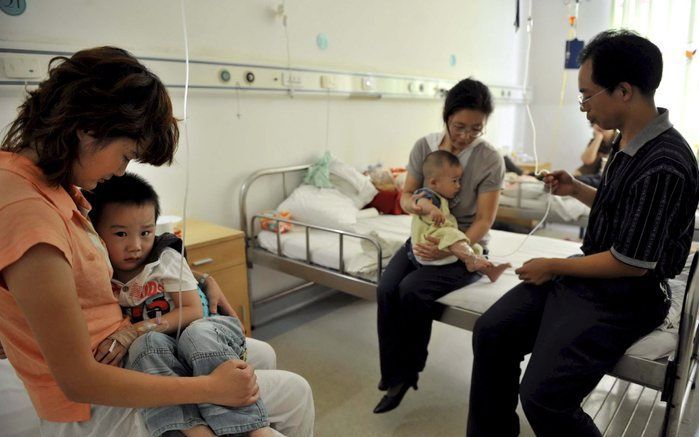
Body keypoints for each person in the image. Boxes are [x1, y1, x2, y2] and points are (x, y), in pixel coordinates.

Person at [0, 46, 314, 437]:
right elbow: (77, 380)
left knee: (258, 354)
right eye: (126, 155)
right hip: (91, 399)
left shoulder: (50, 183)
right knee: (295, 392)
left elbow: (86, 272)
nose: (120, 171)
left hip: (124, 346)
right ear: (89, 127)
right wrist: (208, 388)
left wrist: (194, 280)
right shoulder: (29, 215)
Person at [467, 30, 699, 437]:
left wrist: (552, 264)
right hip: (591, 277)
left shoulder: (664, 162)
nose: (583, 107)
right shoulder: (629, 142)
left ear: (623, 91)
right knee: (492, 332)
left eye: (587, 95)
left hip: (627, 296)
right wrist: (576, 189)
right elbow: (623, 211)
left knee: (542, 396)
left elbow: (630, 263)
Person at [83, 173, 273, 437]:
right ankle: (191, 430)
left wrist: (132, 331)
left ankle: (250, 426)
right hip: (166, 344)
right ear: (96, 232)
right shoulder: (100, 270)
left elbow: (192, 311)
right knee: (145, 346)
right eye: (121, 233)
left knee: (195, 334)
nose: (135, 246)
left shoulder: (164, 259)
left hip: (205, 329)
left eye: (146, 232)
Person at [374, 78, 505, 414]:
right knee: (387, 288)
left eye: (476, 129)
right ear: (446, 117)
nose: (465, 136)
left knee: (412, 290)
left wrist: (451, 249)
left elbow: (484, 221)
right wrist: (417, 206)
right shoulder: (425, 148)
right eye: (459, 126)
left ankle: (411, 368)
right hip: (423, 239)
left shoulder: (490, 159)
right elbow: (405, 196)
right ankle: (394, 376)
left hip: (463, 246)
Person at [409, 151, 510, 282]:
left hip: (441, 240)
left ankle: (489, 270)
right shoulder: (428, 194)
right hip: (428, 241)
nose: (459, 185)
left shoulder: (442, 198)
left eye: (459, 181)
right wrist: (432, 209)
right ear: (434, 182)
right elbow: (420, 202)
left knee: (474, 247)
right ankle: (470, 260)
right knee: (455, 236)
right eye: (454, 181)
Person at [573, 123, 617, 187]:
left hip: (601, 179)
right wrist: (598, 138)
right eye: (596, 123)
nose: (599, 126)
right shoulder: (595, 141)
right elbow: (586, 160)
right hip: (587, 176)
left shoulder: (618, 141)